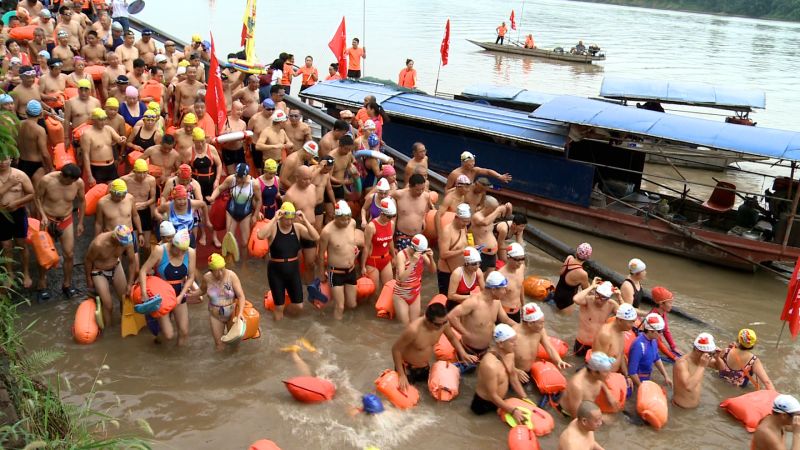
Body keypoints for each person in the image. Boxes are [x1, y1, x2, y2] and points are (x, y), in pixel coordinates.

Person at [392, 302, 476, 392]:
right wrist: (401, 375)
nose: (441, 326)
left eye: (444, 322)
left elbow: (451, 337)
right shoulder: (413, 330)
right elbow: (396, 349)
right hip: (407, 369)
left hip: (424, 367)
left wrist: (463, 353)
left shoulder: (443, 324)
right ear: (427, 320)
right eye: (438, 324)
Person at [257, 202, 319, 320]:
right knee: (279, 306)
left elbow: (315, 237)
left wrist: (304, 220)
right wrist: (274, 219)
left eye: (292, 219)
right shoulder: (274, 228)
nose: (289, 222)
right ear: (281, 217)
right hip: (276, 271)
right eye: (286, 219)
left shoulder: (297, 228)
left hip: (293, 271)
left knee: (299, 306)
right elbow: (260, 235)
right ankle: (278, 320)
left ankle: (283, 316)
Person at [34, 164, 85, 301]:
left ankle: (67, 284)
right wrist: (43, 216)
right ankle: (42, 283)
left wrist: (80, 222)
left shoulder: (78, 183)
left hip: (66, 219)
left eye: (73, 181)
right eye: (68, 181)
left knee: (69, 254)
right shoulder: (47, 180)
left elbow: (82, 201)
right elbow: (37, 197)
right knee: (45, 254)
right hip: (48, 219)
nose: (70, 184)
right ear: (62, 175)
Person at [448, 271, 517, 360]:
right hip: (468, 350)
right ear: (493, 290)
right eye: (503, 289)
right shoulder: (473, 302)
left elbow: (505, 319)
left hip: (486, 349)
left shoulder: (496, 302)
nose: (505, 292)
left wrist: (519, 327)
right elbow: (451, 316)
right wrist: (465, 332)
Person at [471, 323, 528, 423]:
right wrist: (513, 410)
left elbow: (513, 378)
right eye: (512, 342)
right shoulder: (490, 365)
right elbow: (492, 395)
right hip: (485, 404)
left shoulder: (510, 354)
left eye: (515, 341)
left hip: (501, 400)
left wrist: (525, 398)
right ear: (501, 344)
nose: (516, 344)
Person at [84, 225, 136, 330]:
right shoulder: (98, 244)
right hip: (99, 271)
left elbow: (132, 262)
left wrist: (130, 284)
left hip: (116, 266)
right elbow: (88, 261)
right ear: (114, 238)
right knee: (108, 305)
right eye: (121, 243)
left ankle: (124, 324)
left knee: (125, 299)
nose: (124, 246)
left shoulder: (127, 241)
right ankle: (109, 330)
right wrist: (89, 280)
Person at [190, 253, 246, 350]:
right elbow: (202, 290)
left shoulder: (231, 276)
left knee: (234, 344)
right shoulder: (207, 278)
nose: (220, 273)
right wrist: (192, 294)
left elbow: (241, 296)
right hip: (215, 315)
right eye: (216, 271)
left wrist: (240, 313)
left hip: (232, 314)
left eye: (222, 269)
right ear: (211, 271)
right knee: (219, 345)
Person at [317, 201, 359, 320]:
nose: (346, 222)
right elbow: (320, 255)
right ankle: (336, 333)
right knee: (339, 306)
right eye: (343, 220)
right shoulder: (327, 232)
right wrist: (321, 273)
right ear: (335, 217)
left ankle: (347, 329)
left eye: (348, 219)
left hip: (351, 270)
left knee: (352, 304)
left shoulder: (353, 223)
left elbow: (349, 243)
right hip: (336, 273)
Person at [208, 163, 261, 254]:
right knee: (229, 238)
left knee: (245, 242)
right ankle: (229, 261)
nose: (239, 179)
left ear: (246, 176)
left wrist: (255, 215)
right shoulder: (231, 179)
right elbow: (220, 189)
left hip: (246, 214)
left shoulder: (254, 184)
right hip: (231, 212)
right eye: (237, 177)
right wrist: (213, 197)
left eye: (241, 177)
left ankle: (244, 264)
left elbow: (259, 200)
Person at [514, 303, 571, 384]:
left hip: (529, 371)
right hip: (517, 374)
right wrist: (514, 371)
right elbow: (500, 357)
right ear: (530, 323)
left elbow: (549, 348)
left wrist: (559, 361)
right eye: (541, 323)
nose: (543, 326)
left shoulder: (540, 331)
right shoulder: (513, 335)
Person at [0, 156, 34, 288]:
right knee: (6, 245)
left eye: (4, 159)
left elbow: (32, 193)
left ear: (10, 159)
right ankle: (10, 274)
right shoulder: (12, 179)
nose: (2, 162)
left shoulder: (19, 175)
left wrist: (17, 203)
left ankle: (26, 272)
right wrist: (8, 184)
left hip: (18, 213)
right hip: (1, 214)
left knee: (22, 244)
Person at [393, 234, 437, 325]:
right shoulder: (402, 255)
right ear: (413, 248)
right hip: (401, 294)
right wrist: (412, 262)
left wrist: (431, 258)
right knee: (404, 326)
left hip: (415, 292)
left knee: (415, 325)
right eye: (421, 252)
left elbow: (433, 271)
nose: (421, 254)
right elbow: (401, 278)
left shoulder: (421, 254)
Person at [572, 279, 621, 357]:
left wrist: (619, 297)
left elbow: (626, 314)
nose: (599, 299)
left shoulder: (611, 304)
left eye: (603, 297)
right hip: (581, 343)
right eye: (597, 295)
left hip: (597, 345)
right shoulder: (588, 300)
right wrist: (592, 287)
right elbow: (576, 299)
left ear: (608, 298)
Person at [559, 352, 617, 418]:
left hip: (587, 407)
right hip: (568, 415)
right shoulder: (577, 386)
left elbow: (600, 379)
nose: (609, 374)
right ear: (594, 372)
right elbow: (576, 416)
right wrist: (601, 418)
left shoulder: (593, 373)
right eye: (606, 371)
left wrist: (608, 393)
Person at [94, 179, 144, 254]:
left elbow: (135, 216)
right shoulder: (102, 203)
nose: (120, 198)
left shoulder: (130, 198)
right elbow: (99, 223)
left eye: (123, 196)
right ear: (111, 193)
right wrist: (97, 240)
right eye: (118, 196)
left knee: (134, 259)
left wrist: (140, 233)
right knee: (115, 261)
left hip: (128, 234)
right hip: (112, 236)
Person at [82, 108, 127, 186]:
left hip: (111, 166)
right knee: (99, 193)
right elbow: (85, 156)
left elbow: (119, 140)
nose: (103, 122)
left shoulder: (108, 129)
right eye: (100, 120)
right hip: (97, 167)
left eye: (104, 119)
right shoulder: (87, 134)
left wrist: (122, 139)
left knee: (114, 189)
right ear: (93, 120)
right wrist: (89, 176)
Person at [362, 197, 396, 297]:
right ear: (382, 213)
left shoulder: (391, 223)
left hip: (386, 259)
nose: (391, 219)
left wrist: (393, 256)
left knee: (389, 289)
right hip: (373, 261)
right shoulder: (371, 227)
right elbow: (366, 247)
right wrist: (363, 266)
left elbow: (390, 241)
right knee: (374, 292)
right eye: (389, 216)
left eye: (392, 216)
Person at [628, 313, 673, 390]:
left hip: (646, 377)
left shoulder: (653, 340)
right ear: (650, 330)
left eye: (662, 331)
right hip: (637, 380)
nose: (661, 334)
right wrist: (641, 388)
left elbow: (656, 358)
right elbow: (632, 372)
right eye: (659, 331)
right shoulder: (638, 345)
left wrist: (666, 376)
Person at [120, 159, 157, 252]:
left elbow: (153, 198)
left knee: (147, 245)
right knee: (135, 244)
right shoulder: (125, 180)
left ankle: (147, 265)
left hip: (145, 212)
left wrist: (144, 203)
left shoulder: (151, 180)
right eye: (139, 173)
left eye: (144, 173)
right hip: (131, 213)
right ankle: (136, 264)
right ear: (134, 171)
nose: (142, 176)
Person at [672, 332, 716, 409]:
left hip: (695, 408)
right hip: (681, 409)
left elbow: (721, 367)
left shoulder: (700, 360)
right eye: (709, 353)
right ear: (697, 350)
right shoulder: (682, 363)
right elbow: (689, 387)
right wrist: (702, 366)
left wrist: (718, 357)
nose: (709, 356)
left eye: (711, 354)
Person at [592, 301, 635, 376]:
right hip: (603, 377)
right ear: (620, 320)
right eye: (631, 322)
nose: (633, 325)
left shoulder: (622, 330)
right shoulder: (605, 335)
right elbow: (597, 366)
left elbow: (620, 354)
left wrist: (626, 375)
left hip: (615, 375)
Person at [471, 196, 512, 274]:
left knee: (490, 280)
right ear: (487, 207)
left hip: (492, 254)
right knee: (479, 279)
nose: (495, 212)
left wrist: (508, 208)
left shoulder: (492, 215)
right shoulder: (477, 216)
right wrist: (497, 210)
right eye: (493, 209)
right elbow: (485, 222)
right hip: (482, 253)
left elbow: (506, 217)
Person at [437, 203, 471, 295]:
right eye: (463, 221)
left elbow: (465, 243)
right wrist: (462, 251)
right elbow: (443, 254)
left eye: (467, 221)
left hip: (460, 271)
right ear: (456, 217)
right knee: (447, 300)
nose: (466, 224)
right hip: (447, 272)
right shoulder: (447, 231)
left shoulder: (463, 228)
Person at [16, 100, 51, 188]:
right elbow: (45, 153)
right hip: (36, 166)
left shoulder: (18, 124)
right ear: (40, 114)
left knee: (25, 193)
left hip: (21, 163)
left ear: (26, 112)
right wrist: (50, 168)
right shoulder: (39, 130)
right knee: (37, 195)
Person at [552, 242, 592, 313]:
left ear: (577, 251)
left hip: (556, 295)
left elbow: (560, 273)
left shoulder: (569, 258)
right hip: (567, 302)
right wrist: (594, 284)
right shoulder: (583, 274)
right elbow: (586, 291)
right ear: (588, 257)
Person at [445, 151, 512, 190]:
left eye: (473, 163)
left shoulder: (474, 170)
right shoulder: (454, 174)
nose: (472, 165)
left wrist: (499, 176)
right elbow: (447, 189)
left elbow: (487, 172)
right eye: (470, 164)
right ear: (463, 163)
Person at [446, 246, 484, 312]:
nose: (477, 266)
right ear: (466, 263)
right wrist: (470, 297)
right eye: (474, 264)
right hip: (455, 303)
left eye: (479, 263)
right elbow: (450, 296)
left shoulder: (478, 271)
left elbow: (484, 290)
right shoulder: (457, 273)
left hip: (468, 301)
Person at [650, 286, 682, 360]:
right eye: (670, 302)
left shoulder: (663, 312)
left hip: (656, 339)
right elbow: (658, 341)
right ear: (661, 304)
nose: (672, 305)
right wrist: (673, 357)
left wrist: (673, 347)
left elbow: (666, 331)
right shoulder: (654, 318)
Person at [498, 243, 526, 322]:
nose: (520, 262)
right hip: (503, 313)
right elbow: (495, 299)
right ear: (508, 258)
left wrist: (523, 305)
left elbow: (521, 286)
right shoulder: (500, 276)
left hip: (517, 312)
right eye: (517, 259)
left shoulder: (521, 268)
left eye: (522, 259)